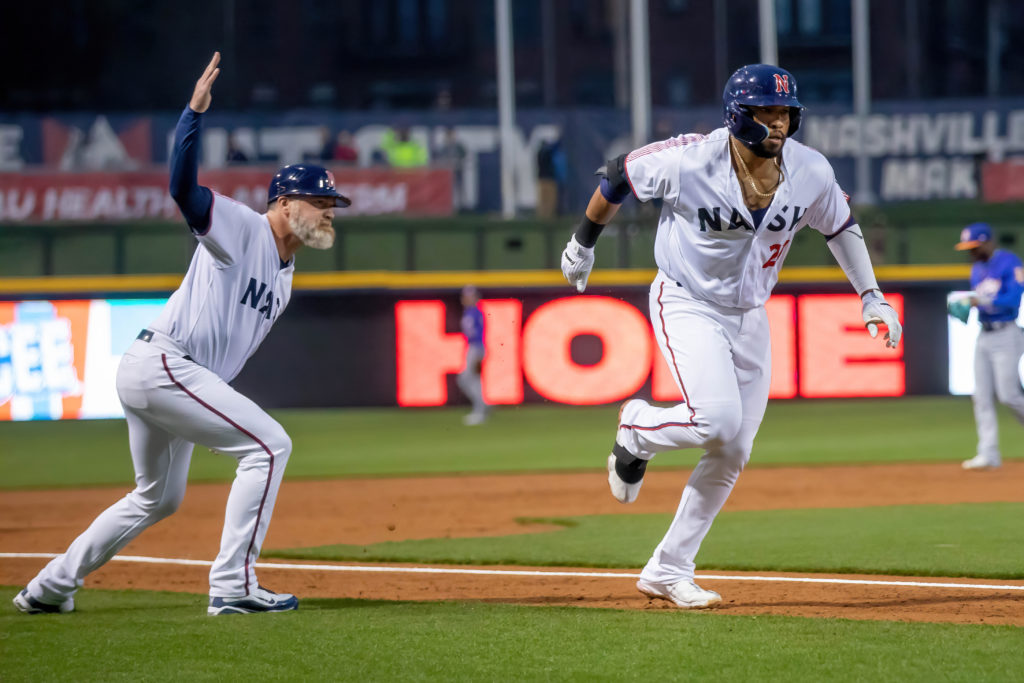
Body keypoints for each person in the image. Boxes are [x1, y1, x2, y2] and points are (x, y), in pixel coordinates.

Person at [12, 52, 351, 616]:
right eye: (321, 203)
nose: (330, 213)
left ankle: (49, 587)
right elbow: (182, 190)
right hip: (169, 365)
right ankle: (233, 585)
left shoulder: (286, 275)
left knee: (156, 497)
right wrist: (192, 116)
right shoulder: (242, 226)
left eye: (333, 206)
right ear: (285, 204)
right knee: (269, 446)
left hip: (164, 372)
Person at [560, 64, 902, 609]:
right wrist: (583, 243)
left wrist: (871, 295)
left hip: (750, 313)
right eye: (766, 111)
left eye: (786, 112)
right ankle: (637, 427)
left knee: (734, 447)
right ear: (737, 115)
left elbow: (840, 226)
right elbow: (616, 175)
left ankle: (668, 569)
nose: (778, 123)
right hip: (687, 299)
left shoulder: (809, 170)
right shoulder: (690, 159)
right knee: (716, 421)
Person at [948, 222, 1024, 471]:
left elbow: (1013, 298)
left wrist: (978, 300)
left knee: (1009, 395)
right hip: (984, 335)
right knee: (980, 395)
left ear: (987, 242)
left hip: (1007, 333)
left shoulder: (1010, 262)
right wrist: (967, 308)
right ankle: (988, 453)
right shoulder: (977, 269)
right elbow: (980, 303)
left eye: (974, 246)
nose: (971, 252)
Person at [456, 285, 488, 426]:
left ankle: (480, 410)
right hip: (472, 348)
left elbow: (480, 333)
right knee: (470, 379)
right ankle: (482, 406)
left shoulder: (476, 312)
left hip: (476, 348)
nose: (467, 299)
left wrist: (480, 351)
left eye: (471, 296)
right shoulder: (468, 312)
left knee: (467, 379)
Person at [434, 127, 467, 211]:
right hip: (447, 174)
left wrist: (457, 162)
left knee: (459, 189)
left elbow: (464, 156)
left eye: (451, 134)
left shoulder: (458, 146)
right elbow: (440, 159)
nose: (450, 137)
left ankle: (461, 206)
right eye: (448, 135)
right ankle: (449, 206)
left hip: (457, 171)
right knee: (448, 190)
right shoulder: (444, 147)